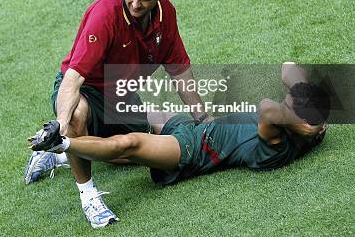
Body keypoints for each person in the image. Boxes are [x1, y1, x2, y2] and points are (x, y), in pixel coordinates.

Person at [24, 0, 210, 228]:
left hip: (120, 95)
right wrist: (60, 126)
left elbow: (179, 71)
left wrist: (203, 120)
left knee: (144, 151)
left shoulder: (165, 14)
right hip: (87, 89)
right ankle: (89, 196)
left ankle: (59, 154)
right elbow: (74, 78)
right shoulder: (105, 15)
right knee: (77, 117)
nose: (135, 4)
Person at [29, 63, 330, 228]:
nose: (287, 102)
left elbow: (267, 106)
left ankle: (63, 143)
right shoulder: (297, 130)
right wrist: (308, 101)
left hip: (191, 152)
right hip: (193, 127)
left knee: (128, 145)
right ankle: (61, 157)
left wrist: (305, 119)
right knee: (123, 120)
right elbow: (289, 68)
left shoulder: (277, 145)